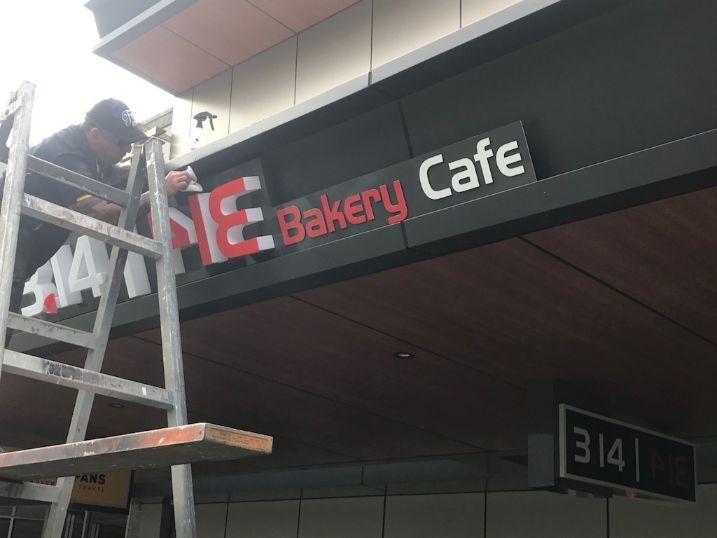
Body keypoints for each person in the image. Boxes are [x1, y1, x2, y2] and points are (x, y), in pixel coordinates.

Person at [1, 98, 191, 344]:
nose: (125, 149)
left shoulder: (92, 156)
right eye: (121, 142)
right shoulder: (68, 155)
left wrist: (156, 174)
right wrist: (159, 192)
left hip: (16, 253)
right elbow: (101, 212)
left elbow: (117, 178)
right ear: (96, 135)